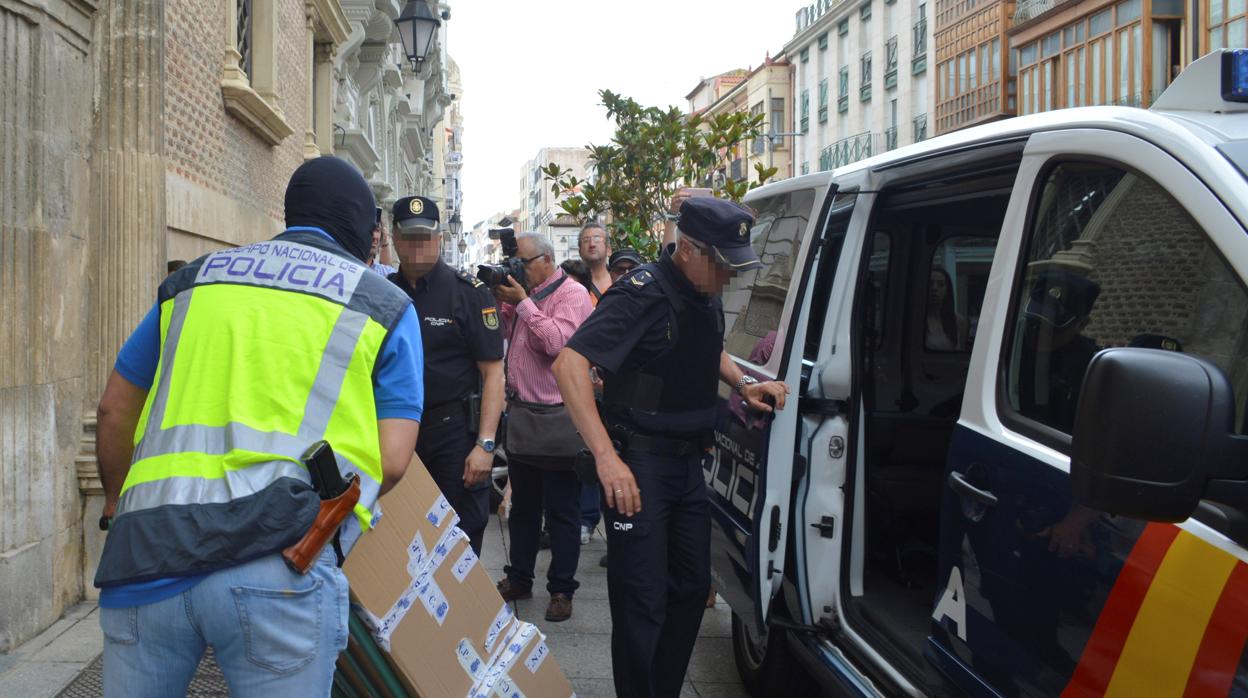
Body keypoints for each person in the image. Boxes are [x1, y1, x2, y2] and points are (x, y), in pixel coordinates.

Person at [93, 156, 424, 697]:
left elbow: (113, 409)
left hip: (146, 551)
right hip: (280, 557)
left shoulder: (191, 283)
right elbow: (390, 460)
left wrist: (115, 504)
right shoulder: (383, 303)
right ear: (369, 233)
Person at [553, 194, 789, 697]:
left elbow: (708, 349)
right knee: (642, 601)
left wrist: (744, 384)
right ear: (688, 249)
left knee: (689, 590)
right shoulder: (641, 293)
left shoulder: (702, 292)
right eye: (723, 264)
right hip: (638, 467)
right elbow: (569, 366)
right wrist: (607, 459)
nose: (729, 277)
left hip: (686, 467)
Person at [388, 195, 504, 555]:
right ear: (394, 238)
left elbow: (494, 373)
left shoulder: (468, 293)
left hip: (451, 434)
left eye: (425, 237)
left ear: (439, 239)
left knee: (460, 538)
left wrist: (485, 445)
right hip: (394, 430)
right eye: (409, 237)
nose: (417, 245)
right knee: (400, 534)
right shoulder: (383, 292)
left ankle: (464, 610)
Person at [493, 232, 593, 622]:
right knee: (523, 509)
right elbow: (508, 342)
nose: (518, 268)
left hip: (558, 418)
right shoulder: (525, 294)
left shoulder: (572, 295)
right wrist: (506, 308)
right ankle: (519, 576)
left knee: (563, 511)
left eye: (524, 261)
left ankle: (562, 590)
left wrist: (523, 306)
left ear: (547, 260)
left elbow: (558, 344)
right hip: (522, 417)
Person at [926, 268, 967, 351]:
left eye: (940, 284)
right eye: (930, 284)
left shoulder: (959, 321)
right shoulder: (916, 320)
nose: (934, 288)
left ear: (947, 291)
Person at [578, 222, 612, 303]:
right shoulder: (572, 283)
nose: (592, 244)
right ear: (579, 251)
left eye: (597, 239)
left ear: (608, 250)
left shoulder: (619, 280)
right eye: (586, 240)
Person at [369, 207, 397, 276]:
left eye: (377, 230)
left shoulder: (385, 273)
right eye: (369, 230)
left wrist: (385, 243)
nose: (375, 236)